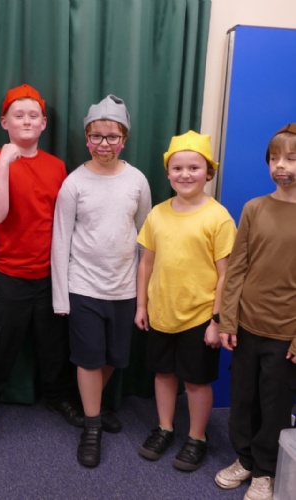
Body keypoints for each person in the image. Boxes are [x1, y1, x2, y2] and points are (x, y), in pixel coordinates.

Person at [51, 95, 152, 467]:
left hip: (124, 288)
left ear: (124, 139)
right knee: (89, 358)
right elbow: (61, 239)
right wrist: (61, 297)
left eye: (112, 137)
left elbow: (145, 237)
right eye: (97, 136)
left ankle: (88, 403)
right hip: (84, 287)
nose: (104, 144)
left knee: (113, 357)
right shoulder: (74, 183)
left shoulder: (137, 180)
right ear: (86, 138)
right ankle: (91, 426)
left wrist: (143, 294)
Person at [0, 84, 83, 428]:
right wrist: (5, 162)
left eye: (33, 115)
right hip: (7, 275)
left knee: (54, 347)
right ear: (4, 122)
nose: (26, 121)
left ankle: (58, 398)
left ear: (43, 123)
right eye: (18, 115)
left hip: (49, 275)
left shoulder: (57, 166)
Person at [135, 130, 237, 472]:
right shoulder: (157, 214)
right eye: (177, 168)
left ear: (208, 172)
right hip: (162, 312)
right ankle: (164, 427)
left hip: (199, 317)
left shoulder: (218, 217)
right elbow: (146, 263)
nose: (185, 174)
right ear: (168, 173)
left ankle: (197, 437)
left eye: (194, 167)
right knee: (163, 374)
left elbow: (226, 275)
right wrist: (141, 306)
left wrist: (217, 320)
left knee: (195, 381)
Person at [215, 124, 296, 500]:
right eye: (274, 158)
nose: (281, 165)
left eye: (291, 158)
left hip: (285, 333)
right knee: (243, 399)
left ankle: (265, 471)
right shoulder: (254, 208)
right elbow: (237, 269)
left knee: (274, 404)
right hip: (247, 327)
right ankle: (245, 459)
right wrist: (228, 320)